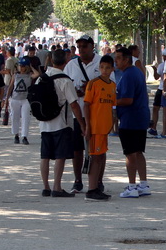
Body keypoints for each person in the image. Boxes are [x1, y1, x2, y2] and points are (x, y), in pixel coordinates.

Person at [39, 49, 84, 197]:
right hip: (62, 123)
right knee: (60, 155)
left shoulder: (42, 78)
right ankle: (56, 187)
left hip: (44, 124)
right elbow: (74, 105)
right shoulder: (65, 80)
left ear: (52, 60)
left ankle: (45, 186)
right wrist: (82, 124)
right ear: (65, 62)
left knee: (45, 156)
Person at [113, 47, 151, 198]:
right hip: (140, 117)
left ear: (126, 59)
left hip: (131, 118)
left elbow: (128, 99)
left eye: (118, 58)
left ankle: (132, 186)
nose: (116, 61)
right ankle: (143, 184)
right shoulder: (136, 72)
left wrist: (111, 102)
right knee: (139, 151)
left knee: (130, 153)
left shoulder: (128, 75)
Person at [63, 34, 99, 193]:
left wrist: (89, 88)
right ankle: (78, 180)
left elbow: (110, 85)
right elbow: (63, 85)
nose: (82, 50)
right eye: (79, 47)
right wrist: (74, 92)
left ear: (92, 47)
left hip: (97, 113)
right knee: (77, 148)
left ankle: (98, 180)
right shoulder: (71, 65)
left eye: (85, 46)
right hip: (77, 113)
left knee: (97, 149)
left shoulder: (101, 63)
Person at [83, 54, 117, 201]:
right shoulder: (93, 84)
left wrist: (112, 124)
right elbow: (86, 104)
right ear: (99, 68)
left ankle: (97, 186)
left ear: (112, 69)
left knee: (101, 156)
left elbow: (112, 107)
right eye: (102, 67)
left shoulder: (112, 85)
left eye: (108, 68)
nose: (105, 70)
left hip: (104, 128)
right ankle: (91, 189)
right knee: (95, 158)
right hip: (95, 127)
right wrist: (87, 126)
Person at [7, 57, 33, 145]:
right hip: (15, 98)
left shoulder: (29, 75)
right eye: (20, 66)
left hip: (25, 99)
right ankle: (16, 135)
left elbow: (37, 74)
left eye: (24, 66)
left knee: (26, 117)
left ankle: (24, 136)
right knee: (15, 117)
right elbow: (11, 87)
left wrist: (31, 67)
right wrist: (6, 99)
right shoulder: (15, 75)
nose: (21, 68)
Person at [148, 49, 166, 137]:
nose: (164, 57)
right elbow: (157, 77)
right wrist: (154, 69)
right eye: (163, 56)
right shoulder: (162, 65)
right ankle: (154, 127)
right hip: (161, 88)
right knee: (155, 108)